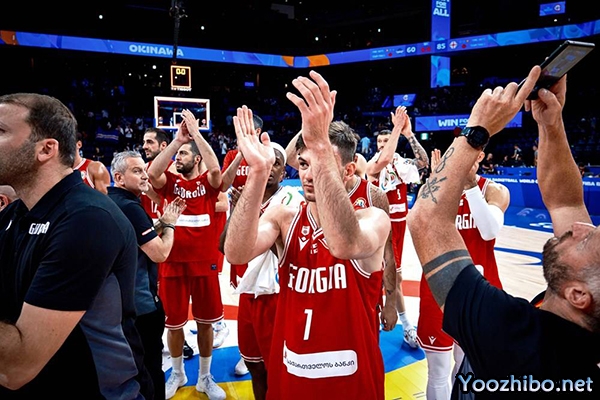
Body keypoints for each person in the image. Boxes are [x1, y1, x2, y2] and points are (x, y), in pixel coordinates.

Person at [408, 66, 600, 399]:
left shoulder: (504, 332)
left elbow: (427, 220)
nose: (582, 226)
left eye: (588, 239)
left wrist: (476, 130)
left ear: (577, 296)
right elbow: (566, 202)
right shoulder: (581, 329)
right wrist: (551, 123)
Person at [225, 71, 390, 399]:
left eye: (321, 162)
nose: (309, 173)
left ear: (347, 170)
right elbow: (236, 253)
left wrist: (319, 145)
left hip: (351, 378)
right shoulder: (284, 215)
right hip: (292, 372)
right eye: (303, 163)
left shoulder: (373, 218)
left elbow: (344, 244)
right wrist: (257, 173)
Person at [0, 93, 144, 398]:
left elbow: (15, 367)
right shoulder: (14, 214)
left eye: (1, 131)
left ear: (46, 149)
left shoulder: (88, 220)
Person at [416, 148, 510, 400]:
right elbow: (421, 229)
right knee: (437, 370)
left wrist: (470, 187)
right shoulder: (436, 189)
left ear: (480, 156)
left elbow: (489, 231)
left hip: (480, 289)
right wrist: (434, 186)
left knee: (467, 367)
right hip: (439, 287)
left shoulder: (494, 190)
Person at [147, 109, 226, 400]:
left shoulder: (207, 184)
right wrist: (177, 141)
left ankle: (205, 377)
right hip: (172, 262)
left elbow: (215, 170)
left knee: (205, 324)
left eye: (183, 154)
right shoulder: (170, 182)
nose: (178, 158)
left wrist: (197, 135)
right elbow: (152, 173)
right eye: (177, 155)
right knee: (174, 324)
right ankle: (178, 373)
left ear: (196, 158)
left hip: (204, 263)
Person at [221, 142, 304, 400]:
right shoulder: (246, 199)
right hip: (249, 293)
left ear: (283, 172)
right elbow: (223, 247)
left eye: (275, 163)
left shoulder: (290, 201)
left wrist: (251, 217)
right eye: (264, 161)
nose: (269, 167)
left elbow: (283, 250)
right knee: (254, 366)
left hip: (276, 296)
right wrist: (237, 212)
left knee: (277, 369)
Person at [108, 151, 187, 400]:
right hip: (140, 305)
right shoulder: (131, 207)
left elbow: (137, 238)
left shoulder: (112, 199)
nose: (145, 176)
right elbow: (159, 253)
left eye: (144, 170)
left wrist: (161, 222)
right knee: (150, 368)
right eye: (137, 171)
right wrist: (171, 224)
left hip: (116, 302)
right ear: (119, 177)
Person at [365, 105, 430, 349]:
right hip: (377, 224)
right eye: (380, 141)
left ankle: (406, 324)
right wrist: (395, 130)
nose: (383, 144)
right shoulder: (372, 164)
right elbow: (380, 162)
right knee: (374, 275)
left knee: (396, 276)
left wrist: (408, 134)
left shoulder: (401, 163)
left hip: (398, 225)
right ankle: (372, 319)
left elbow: (423, 162)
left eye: (386, 140)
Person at [139, 127, 195, 359]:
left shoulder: (174, 170)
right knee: (148, 291)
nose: (145, 146)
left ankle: (177, 339)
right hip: (147, 233)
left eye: (150, 142)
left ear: (164, 146)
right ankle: (156, 338)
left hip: (168, 235)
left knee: (166, 295)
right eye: (144, 142)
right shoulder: (140, 168)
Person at [219, 112, 264, 376]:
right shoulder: (232, 155)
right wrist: (239, 154)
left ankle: (267, 346)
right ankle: (247, 352)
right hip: (240, 228)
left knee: (266, 293)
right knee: (245, 293)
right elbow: (223, 184)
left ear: (256, 131)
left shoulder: (269, 152)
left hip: (266, 228)